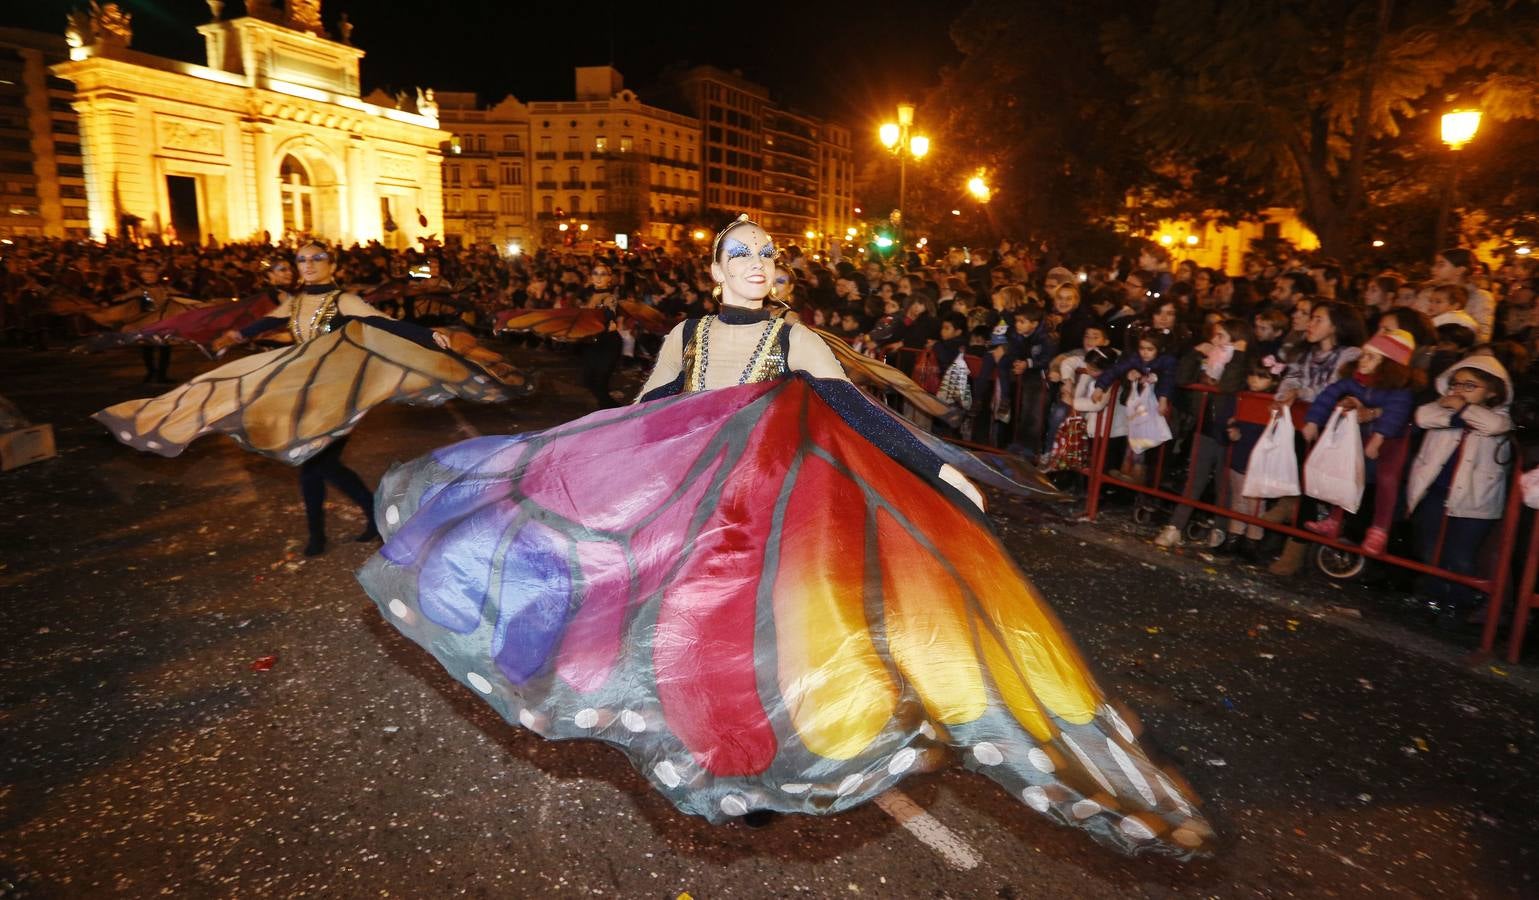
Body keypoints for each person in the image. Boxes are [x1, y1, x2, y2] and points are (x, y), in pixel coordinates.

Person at [355, 215, 1212, 859]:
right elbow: (650, 410)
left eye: (768, 255)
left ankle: (757, 765)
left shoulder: (792, 336)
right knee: (672, 637)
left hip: (768, 521)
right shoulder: (686, 336)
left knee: (764, 649)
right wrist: (584, 453)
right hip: (688, 512)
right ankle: (708, 754)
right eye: (742, 254)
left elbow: (851, 409)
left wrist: (941, 471)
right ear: (715, 268)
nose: (758, 265)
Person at [94, 240, 517, 557]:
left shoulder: (343, 299)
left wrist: (430, 335)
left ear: (332, 264)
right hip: (299, 387)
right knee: (318, 462)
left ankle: (320, 535)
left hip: (337, 392)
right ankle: (368, 515)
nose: (309, 265)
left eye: (317, 258)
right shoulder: (296, 301)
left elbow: (386, 323)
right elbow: (264, 320)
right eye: (302, 259)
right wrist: (235, 335)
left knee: (312, 463)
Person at [1405, 355, 1514, 619]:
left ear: (1492, 391)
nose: (1459, 390)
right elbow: (1423, 416)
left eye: (1469, 385)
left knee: (1460, 555)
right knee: (1431, 548)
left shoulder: (1500, 416)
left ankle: (1461, 600)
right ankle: (1435, 596)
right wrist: (1455, 411)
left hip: (1475, 500)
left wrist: (1462, 411)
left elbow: (1492, 425)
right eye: (1455, 384)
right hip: (1435, 492)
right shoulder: (1442, 407)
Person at [1299, 329, 1421, 556]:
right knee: (1347, 473)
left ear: (1389, 364)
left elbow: (1396, 413)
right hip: (1362, 436)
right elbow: (1328, 394)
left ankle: (1379, 529)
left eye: (1371, 357)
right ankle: (1334, 519)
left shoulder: (1400, 390)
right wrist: (1313, 421)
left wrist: (1377, 439)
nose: (1362, 361)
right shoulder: (1357, 381)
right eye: (1363, 354)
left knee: (1387, 481)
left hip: (1392, 442)